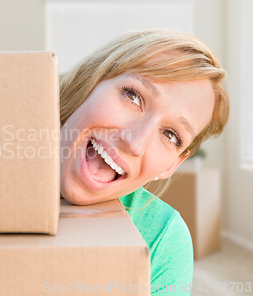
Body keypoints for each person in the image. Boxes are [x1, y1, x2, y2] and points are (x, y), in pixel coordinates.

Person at [59, 29, 229, 295]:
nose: (135, 143)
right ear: (88, 82)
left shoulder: (164, 239)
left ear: (172, 164)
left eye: (170, 135)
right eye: (133, 96)